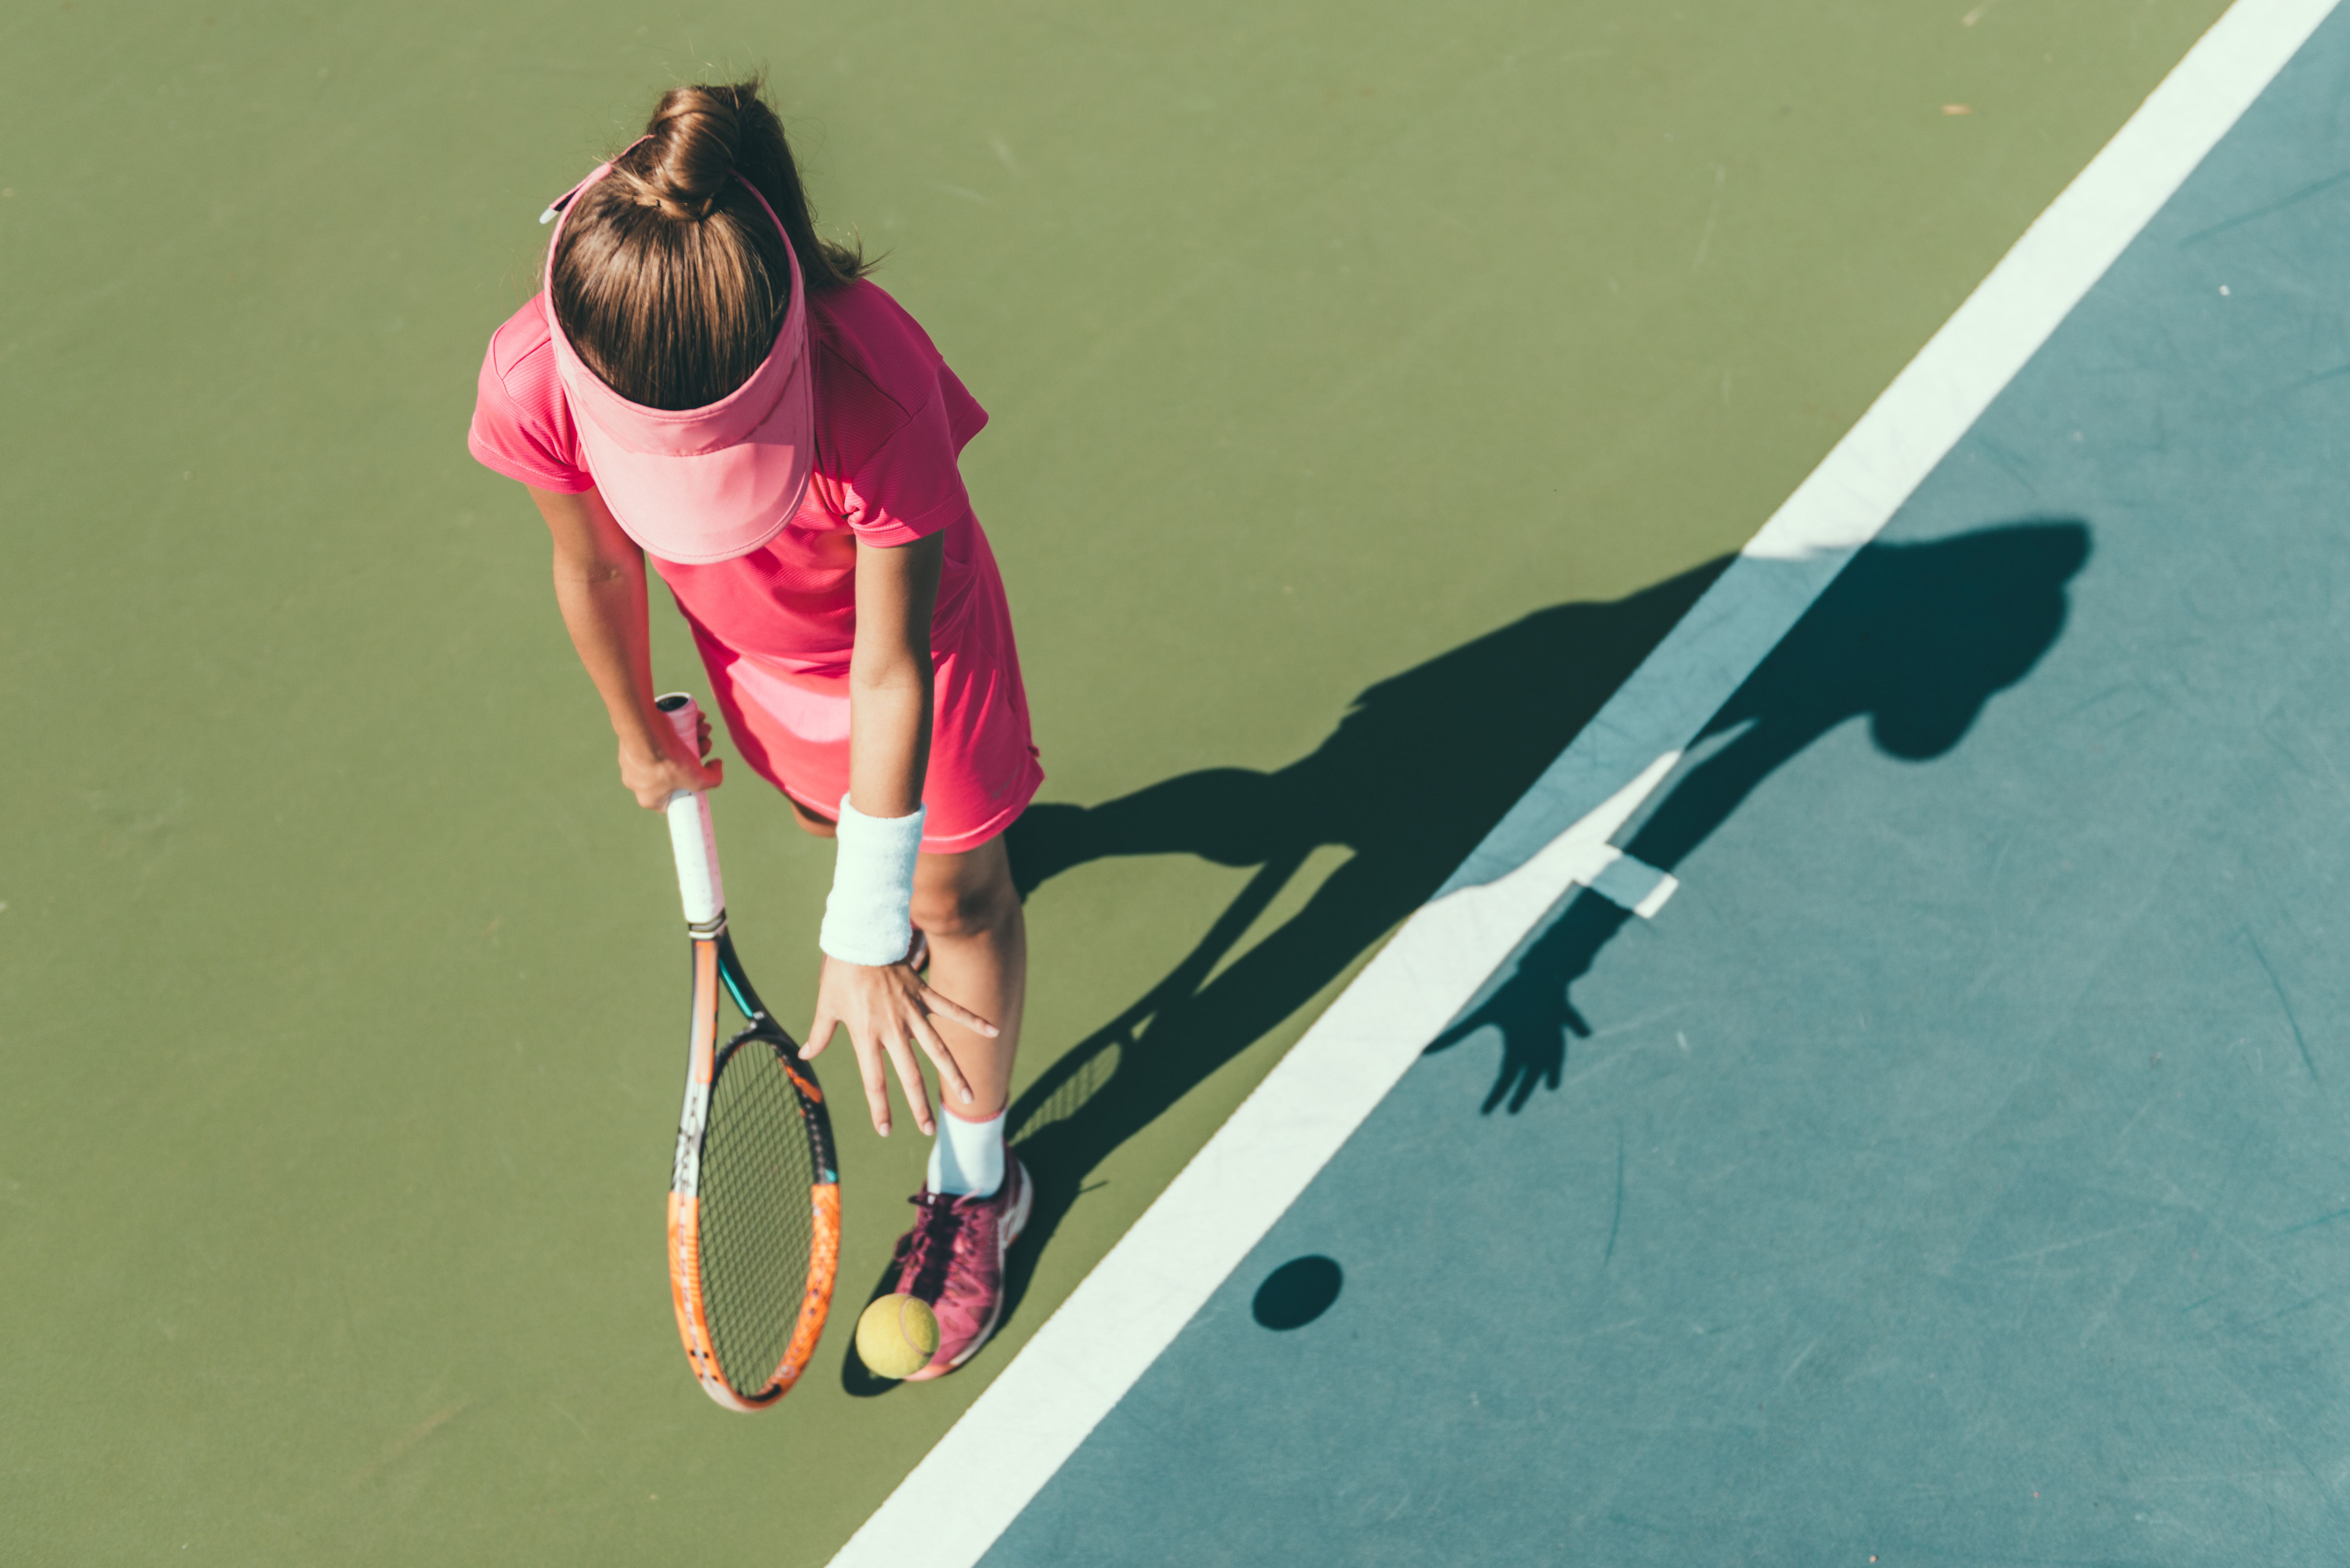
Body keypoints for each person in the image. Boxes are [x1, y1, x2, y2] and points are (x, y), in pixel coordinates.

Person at [466, 78, 1039, 1379]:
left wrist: (867, 919)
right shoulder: (531, 376)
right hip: (754, 663)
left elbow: (892, 667)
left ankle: (979, 1181)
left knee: (952, 900)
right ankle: (922, 885)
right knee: (848, 831)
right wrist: (634, 729)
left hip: (909, 652)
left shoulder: (871, 379)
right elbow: (599, 563)